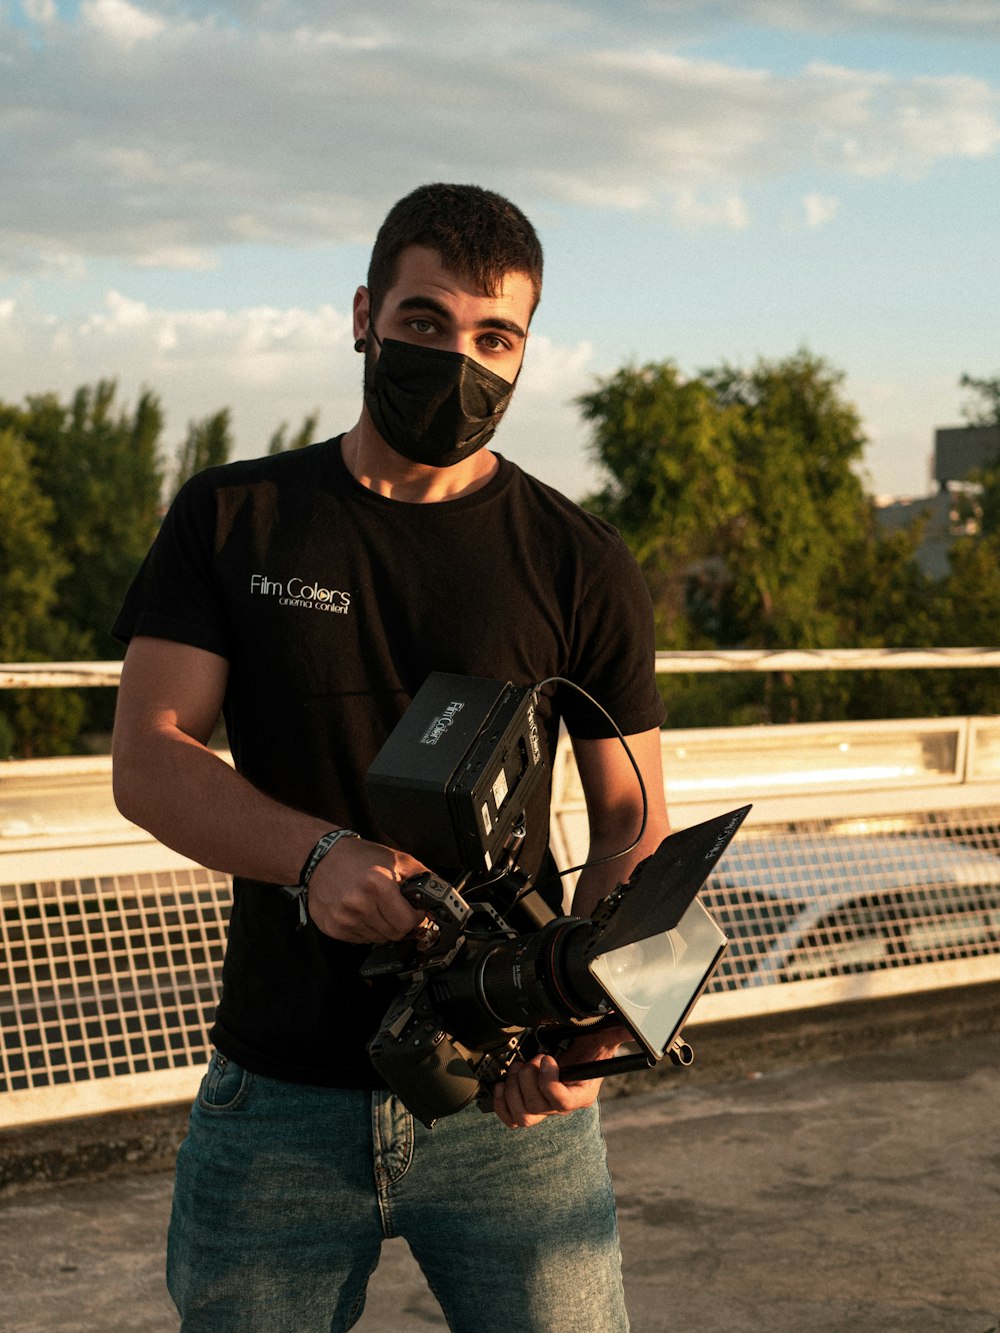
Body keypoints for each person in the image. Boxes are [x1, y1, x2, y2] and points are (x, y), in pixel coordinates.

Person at [111, 182, 670, 1333]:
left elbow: (632, 826)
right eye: (425, 323)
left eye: (493, 338)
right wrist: (314, 857)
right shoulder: (237, 517)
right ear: (364, 313)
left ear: (523, 354)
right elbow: (150, 757)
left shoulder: (578, 560)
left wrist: (593, 1029)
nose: (458, 361)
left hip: (511, 1114)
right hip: (277, 1105)